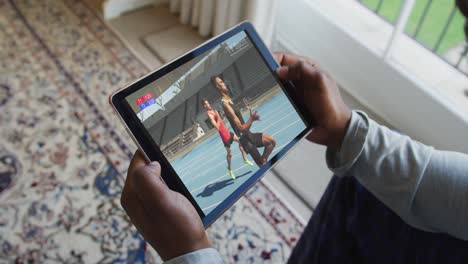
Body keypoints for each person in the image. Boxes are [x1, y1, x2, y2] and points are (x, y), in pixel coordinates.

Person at [120, 1, 468, 260]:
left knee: (263, 148)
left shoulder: (225, 100)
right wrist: (348, 130)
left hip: (237, 135)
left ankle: (247, 161)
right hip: (237, 134)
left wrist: (189, 252)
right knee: (353, 184)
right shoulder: (222, 107)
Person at [211, 75, 276, 167]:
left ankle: (263, 159)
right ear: (218, 87)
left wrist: (251, 120)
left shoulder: (229, 100)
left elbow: (243, 126)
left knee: (271, 142)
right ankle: (262, 163)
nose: (224, 83)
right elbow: (241, 128)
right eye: (221, 82)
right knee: (263, 166)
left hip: (249, 135)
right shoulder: (225, 104)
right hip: (245, 140)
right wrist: (252, 119)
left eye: (223, 81)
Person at [202, 97, 254, 179]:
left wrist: (221, 116)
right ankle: (229, 169)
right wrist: (218, 117)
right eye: (206, 104)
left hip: (228, 132)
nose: (208, 105)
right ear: (204, 106)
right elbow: (217, 127)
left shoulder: (213, 111)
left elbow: (221, 121)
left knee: (241, 142)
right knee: (230, 154)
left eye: (208, 103)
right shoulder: (209, 115)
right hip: (224, 136)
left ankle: (244, 159)